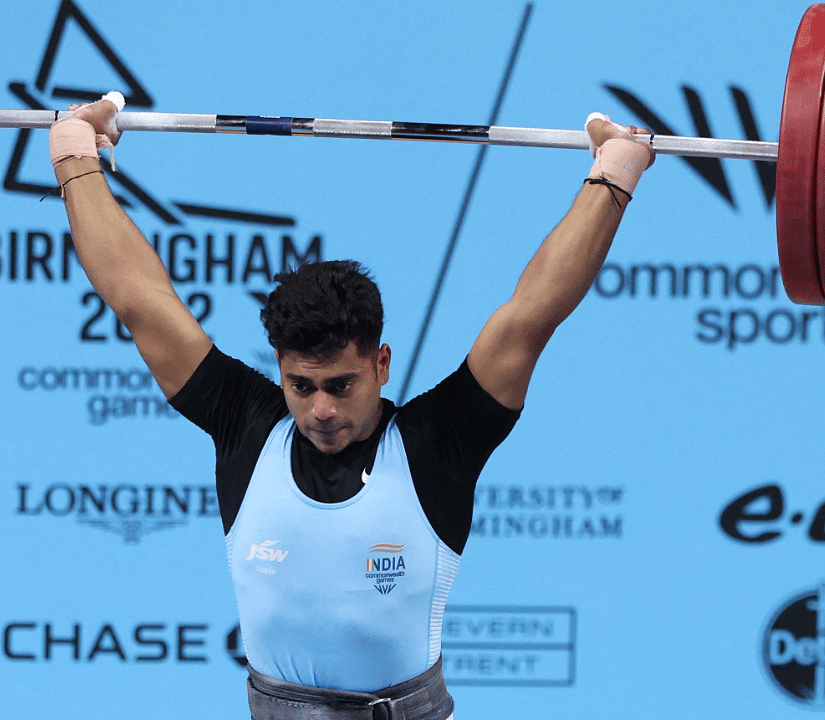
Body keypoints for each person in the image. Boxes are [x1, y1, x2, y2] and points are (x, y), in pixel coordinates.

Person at [48, 94, 653, 720]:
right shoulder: (248, 426)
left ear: (381, 364)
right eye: (301, 386)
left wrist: (615, 171)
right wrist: (74, 154)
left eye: (341, 385)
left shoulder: (437, 442)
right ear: (279, 370)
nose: (320, 411)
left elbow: (533, 314)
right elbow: (138, 298)